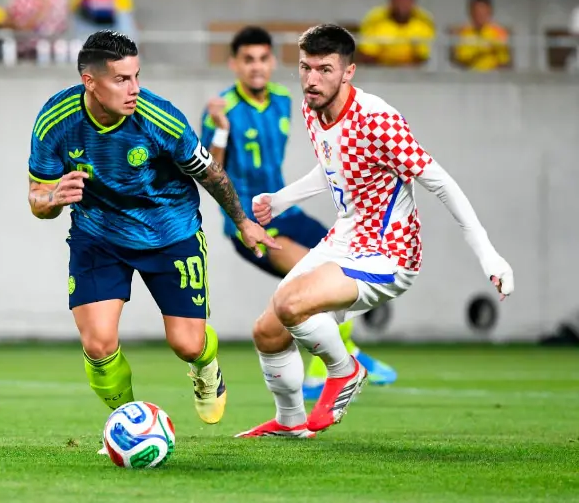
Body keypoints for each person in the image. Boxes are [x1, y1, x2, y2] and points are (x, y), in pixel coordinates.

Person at [236, 24, 514, 439]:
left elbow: (440, 183)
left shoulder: (377, 119)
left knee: (291, 305)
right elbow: (334, 165)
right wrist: (281, 200)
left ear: (348, 72)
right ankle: (290, 422)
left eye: (325, 70)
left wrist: (488, 253)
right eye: (306, 67)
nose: (312, 79)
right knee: (267, 330)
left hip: (389, 253)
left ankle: (345, 370)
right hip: (344, 239)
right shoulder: (313, 107)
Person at [27, 30, 278, 433]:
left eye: (136, 76)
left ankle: (205, 365)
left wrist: (243, 221)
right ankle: (128, 425)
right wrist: (54, 198)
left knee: (187, 344)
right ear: (90, 82)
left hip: (170, 232)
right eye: (121, 79)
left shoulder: (160, 118)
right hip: (98, 235)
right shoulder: (56, 121)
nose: (134, 89)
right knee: (98, 344)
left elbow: (210, 174)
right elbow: (37, 197)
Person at [200, 25, 396, 402]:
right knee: (315, 284)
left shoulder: (284, 100)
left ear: (273, 62)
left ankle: (347, 354)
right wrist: (221, 130)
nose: (256, 66)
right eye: (248, 60)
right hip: (250, 224)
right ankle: (325, 372)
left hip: (285, 212)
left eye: (263, 58)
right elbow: (212, 171)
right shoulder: (222, 108)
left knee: (351, 262)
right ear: (234, 64)